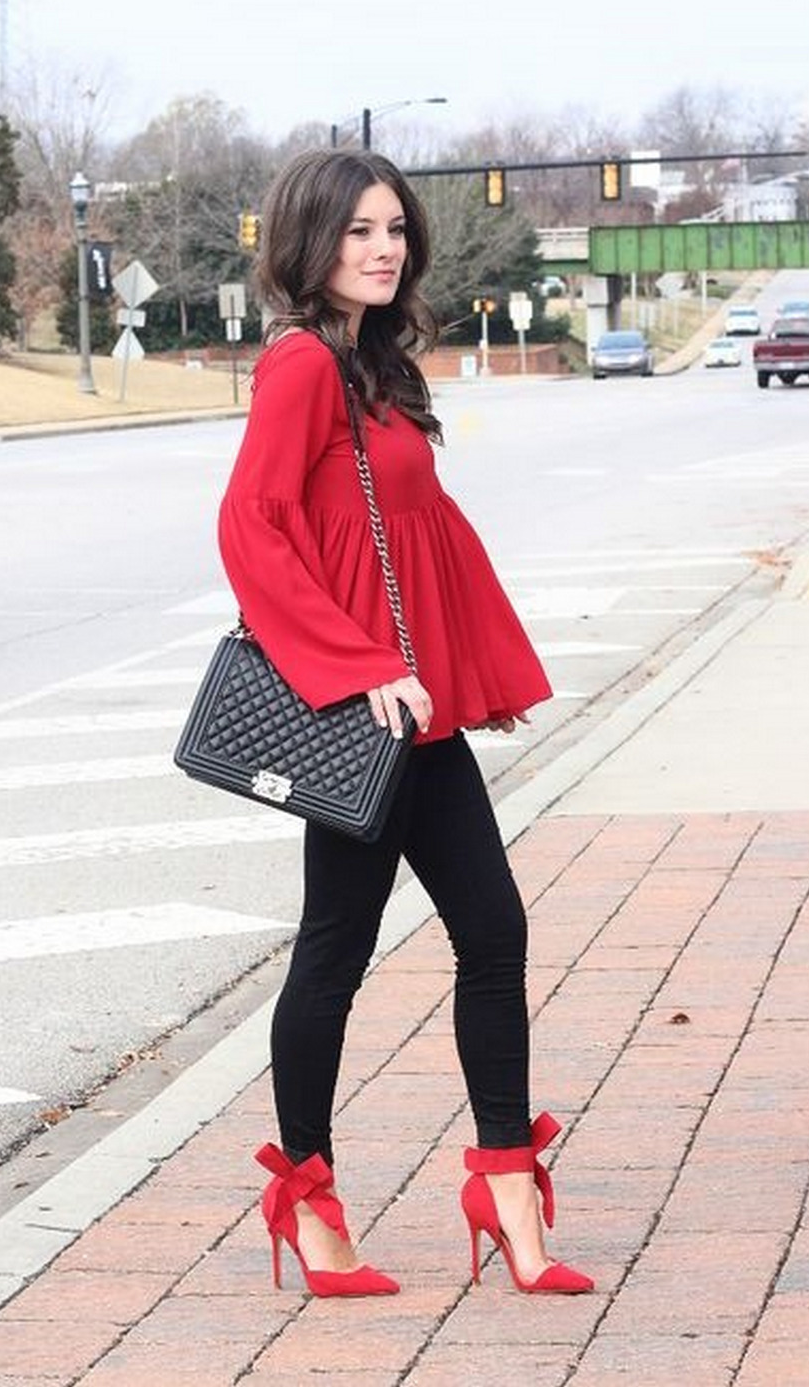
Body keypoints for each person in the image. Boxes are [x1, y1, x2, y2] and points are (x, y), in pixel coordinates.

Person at [217, 147, 592, 1300]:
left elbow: (421, 540)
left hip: (415, 712)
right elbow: (251, 529)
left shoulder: (374, 368)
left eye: (393, 229)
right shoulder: (296, 369)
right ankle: (312, 1203)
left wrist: (474, 675)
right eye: (356, 232)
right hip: (361, 710)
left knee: (491, 928)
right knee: (336, 949)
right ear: (308, 244)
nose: (381, 248)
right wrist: (360, 663)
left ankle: (507, 1184)